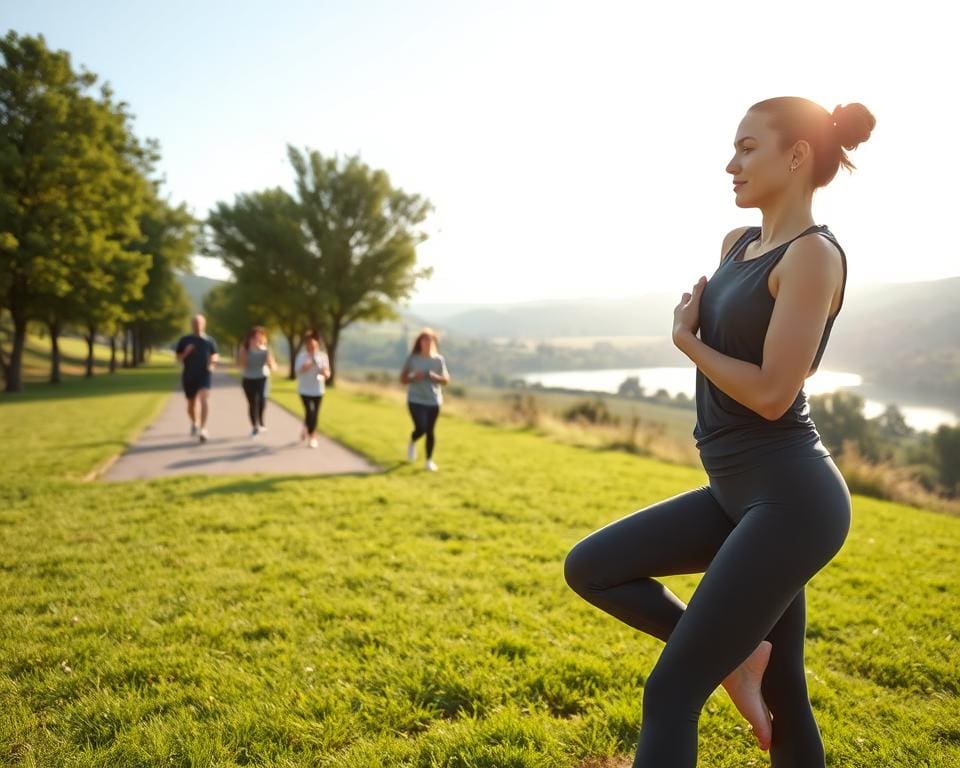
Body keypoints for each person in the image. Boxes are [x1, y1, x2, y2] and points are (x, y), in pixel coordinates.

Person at [564, 97, 876, 768]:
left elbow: (772, 393)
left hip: (793, 501)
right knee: (591, 567)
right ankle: (739, 657)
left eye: (748, 148)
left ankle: (731, 657)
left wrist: (687, 341)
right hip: (735, 491)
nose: (731, 164)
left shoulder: (813, 256)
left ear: (797, 156)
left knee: (671, 691)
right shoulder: (737, 244)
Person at [400, 328, 450, 471]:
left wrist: (435, 377)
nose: (427, 342)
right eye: (424, 339)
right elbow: (403, 379)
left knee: (430, 430)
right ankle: (412, 442)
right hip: (415, 400)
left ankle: (429, 461)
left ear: (434, 342)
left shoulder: (439, 360)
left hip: (434, 401)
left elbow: (446, 380)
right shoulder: (413, 358)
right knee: (421, 428)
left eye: (429, 339)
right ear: (419, 342)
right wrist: (413, 377)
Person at [175, 314, 220, 442]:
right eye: (195, 323)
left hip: (204, 374)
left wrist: (212, 364)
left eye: (199, 323)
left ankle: (203, 429)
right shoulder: (185, 340)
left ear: (204, 324)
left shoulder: (209, 340)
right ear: (192, 325)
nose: (197, 325)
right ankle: (195, 422)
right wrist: (186, 352)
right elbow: (178, 359)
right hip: (189, 375)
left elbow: (215, 355)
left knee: (204, 399)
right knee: (191, 404)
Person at [238, 325, 277, 437]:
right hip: (248, 378)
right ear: (250, 338)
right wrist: (249, 350)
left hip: (262, 378)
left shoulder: (266, 350)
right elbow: (242, 365)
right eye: (255, 337)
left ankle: (261, 421)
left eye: (260, 336)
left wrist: (269, 361)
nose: (257, 339)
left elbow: (273, 366)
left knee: (262, 401)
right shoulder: (244, 349)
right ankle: (255, 426)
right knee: (252, 402)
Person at [295, 330, 330, 449]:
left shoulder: (323, 356)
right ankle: (312, 437)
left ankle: (306, 428)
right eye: (309, 344)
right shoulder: (301, 357)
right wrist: (309, 363)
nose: (311, 347)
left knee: (314, 414)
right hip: (304, 390)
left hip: (318, 390)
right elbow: (298, 371)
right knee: (310, 411)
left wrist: (324, 372)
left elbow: (327, 372)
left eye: (314, 344)